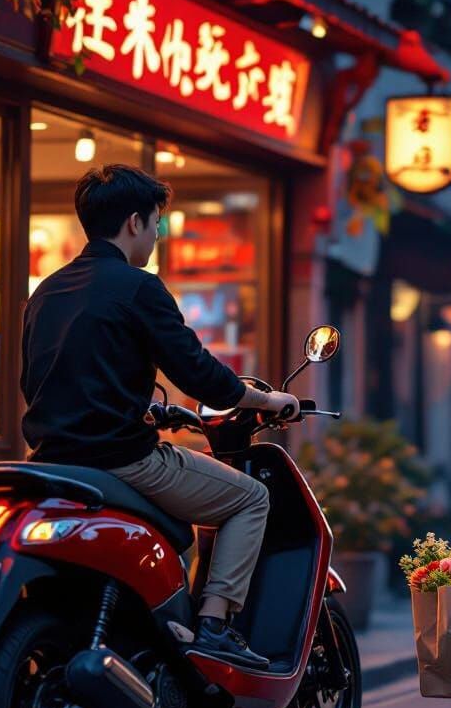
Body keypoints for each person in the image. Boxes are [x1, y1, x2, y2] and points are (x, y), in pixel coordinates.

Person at [20, 164, 299, 669]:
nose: (155, 235)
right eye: (156, 224)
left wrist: (138, 402)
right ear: (133, 223)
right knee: (253, 498)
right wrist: (266, 400)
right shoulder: (138, 286)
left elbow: (40, 381)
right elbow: (200, 376)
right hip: (121, 459)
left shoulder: (47, 291)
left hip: (52, 462)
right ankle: (214, 626)